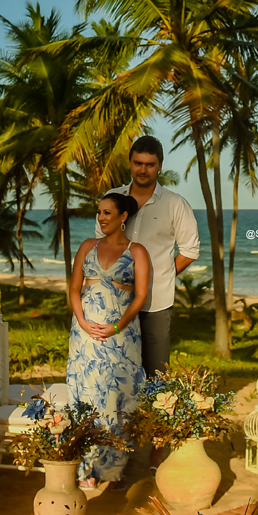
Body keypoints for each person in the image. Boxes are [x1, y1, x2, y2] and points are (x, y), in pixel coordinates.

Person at [97, 136, 200, 379]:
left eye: (150, 164)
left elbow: (190, 250)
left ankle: (153, 416)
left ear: (160, 165)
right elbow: (101, 242)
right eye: (138, 163)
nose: (143, 170)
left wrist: (162, 274)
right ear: (130, 163)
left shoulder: (175, 204)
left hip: (156, 302)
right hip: (116, 301)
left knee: (156, 373)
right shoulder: (113, 198)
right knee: (115, 370)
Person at [67, 193, 151, 489]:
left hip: (123, 337)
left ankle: (113, 469)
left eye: (106, 213)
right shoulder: (87, 247)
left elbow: (140, 296)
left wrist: (117, 326)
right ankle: (86, 468)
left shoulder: (137, 251)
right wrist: (81, 320)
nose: (101, 218)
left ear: (123, 216)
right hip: (85, 336)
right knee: (87, 398)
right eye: (98, 213)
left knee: (120, 399)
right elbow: (74, 288)